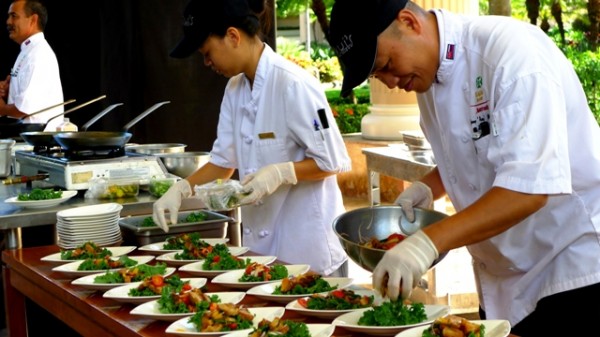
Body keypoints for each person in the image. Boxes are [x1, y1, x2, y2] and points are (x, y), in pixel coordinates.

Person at [329, 0, 600, 335]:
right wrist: (428, 187)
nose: (389, 81)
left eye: (385, 64)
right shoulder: (424, 78)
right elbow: (473, 152)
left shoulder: (512, 55)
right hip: (499, 274)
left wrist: (428, 242)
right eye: (376, 75)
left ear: (409, 22)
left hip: (568, 270)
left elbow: (530, 188)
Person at [153, 0, 351, 276]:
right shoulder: (235, 88)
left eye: (207, 52)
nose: (206, 62)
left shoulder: (294, 84)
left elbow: (333, 161)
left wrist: (281, 172)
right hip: (263, 253)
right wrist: (181, 190)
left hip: (310, 252)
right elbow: (224, 162)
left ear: (233, 36)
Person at [0, 0, 64, 131]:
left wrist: (2, 108)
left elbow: (24, 108)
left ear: (33, 20)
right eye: (8, 16)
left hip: (38, 143)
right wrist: (10, 91)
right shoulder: (28, 50)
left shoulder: (38, 54)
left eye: (14, 16)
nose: (8, 22)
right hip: (29, 138)